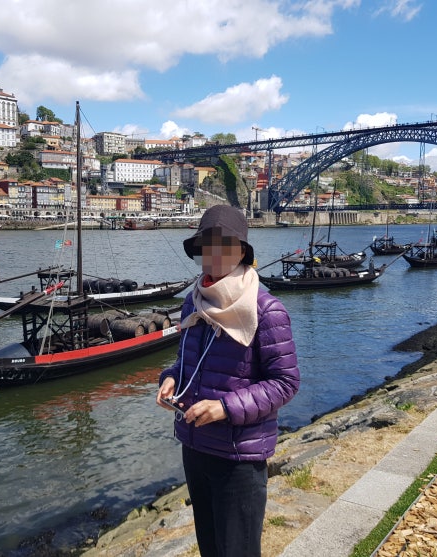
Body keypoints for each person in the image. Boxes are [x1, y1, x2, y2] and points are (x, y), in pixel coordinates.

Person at [156, 205, 300, 557]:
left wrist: (225, 407)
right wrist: (170, 378)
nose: (214, 253)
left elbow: (285, 382)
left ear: (241, 251)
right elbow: (186, 362)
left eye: (224, 244)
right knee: (210, 547)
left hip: (239, 456)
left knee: (238, 550)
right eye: (206, 245)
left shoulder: (266, 310)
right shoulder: (192, 303)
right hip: (195, 446)